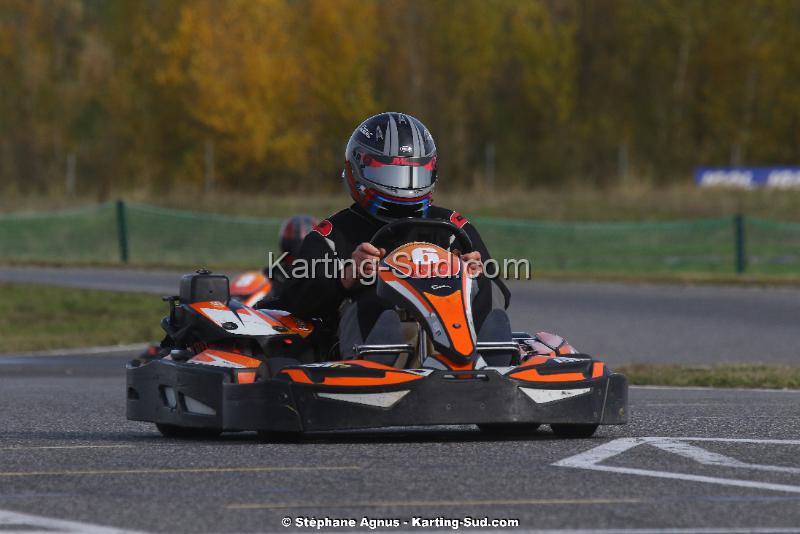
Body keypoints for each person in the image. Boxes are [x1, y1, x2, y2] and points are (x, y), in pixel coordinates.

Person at [279, 112, 512, 365]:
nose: (405, 186)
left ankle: (495, 367)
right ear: (358, 168)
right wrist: (345, 278)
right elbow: (293, 301)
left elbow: (501, 296)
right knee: (374, 300)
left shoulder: (453, 229)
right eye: (391, 174)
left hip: (452, 350)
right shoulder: (333, 235)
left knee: (486, 285)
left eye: (414, 174)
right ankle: (375, 369)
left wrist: (475, 274)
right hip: (363, 354)